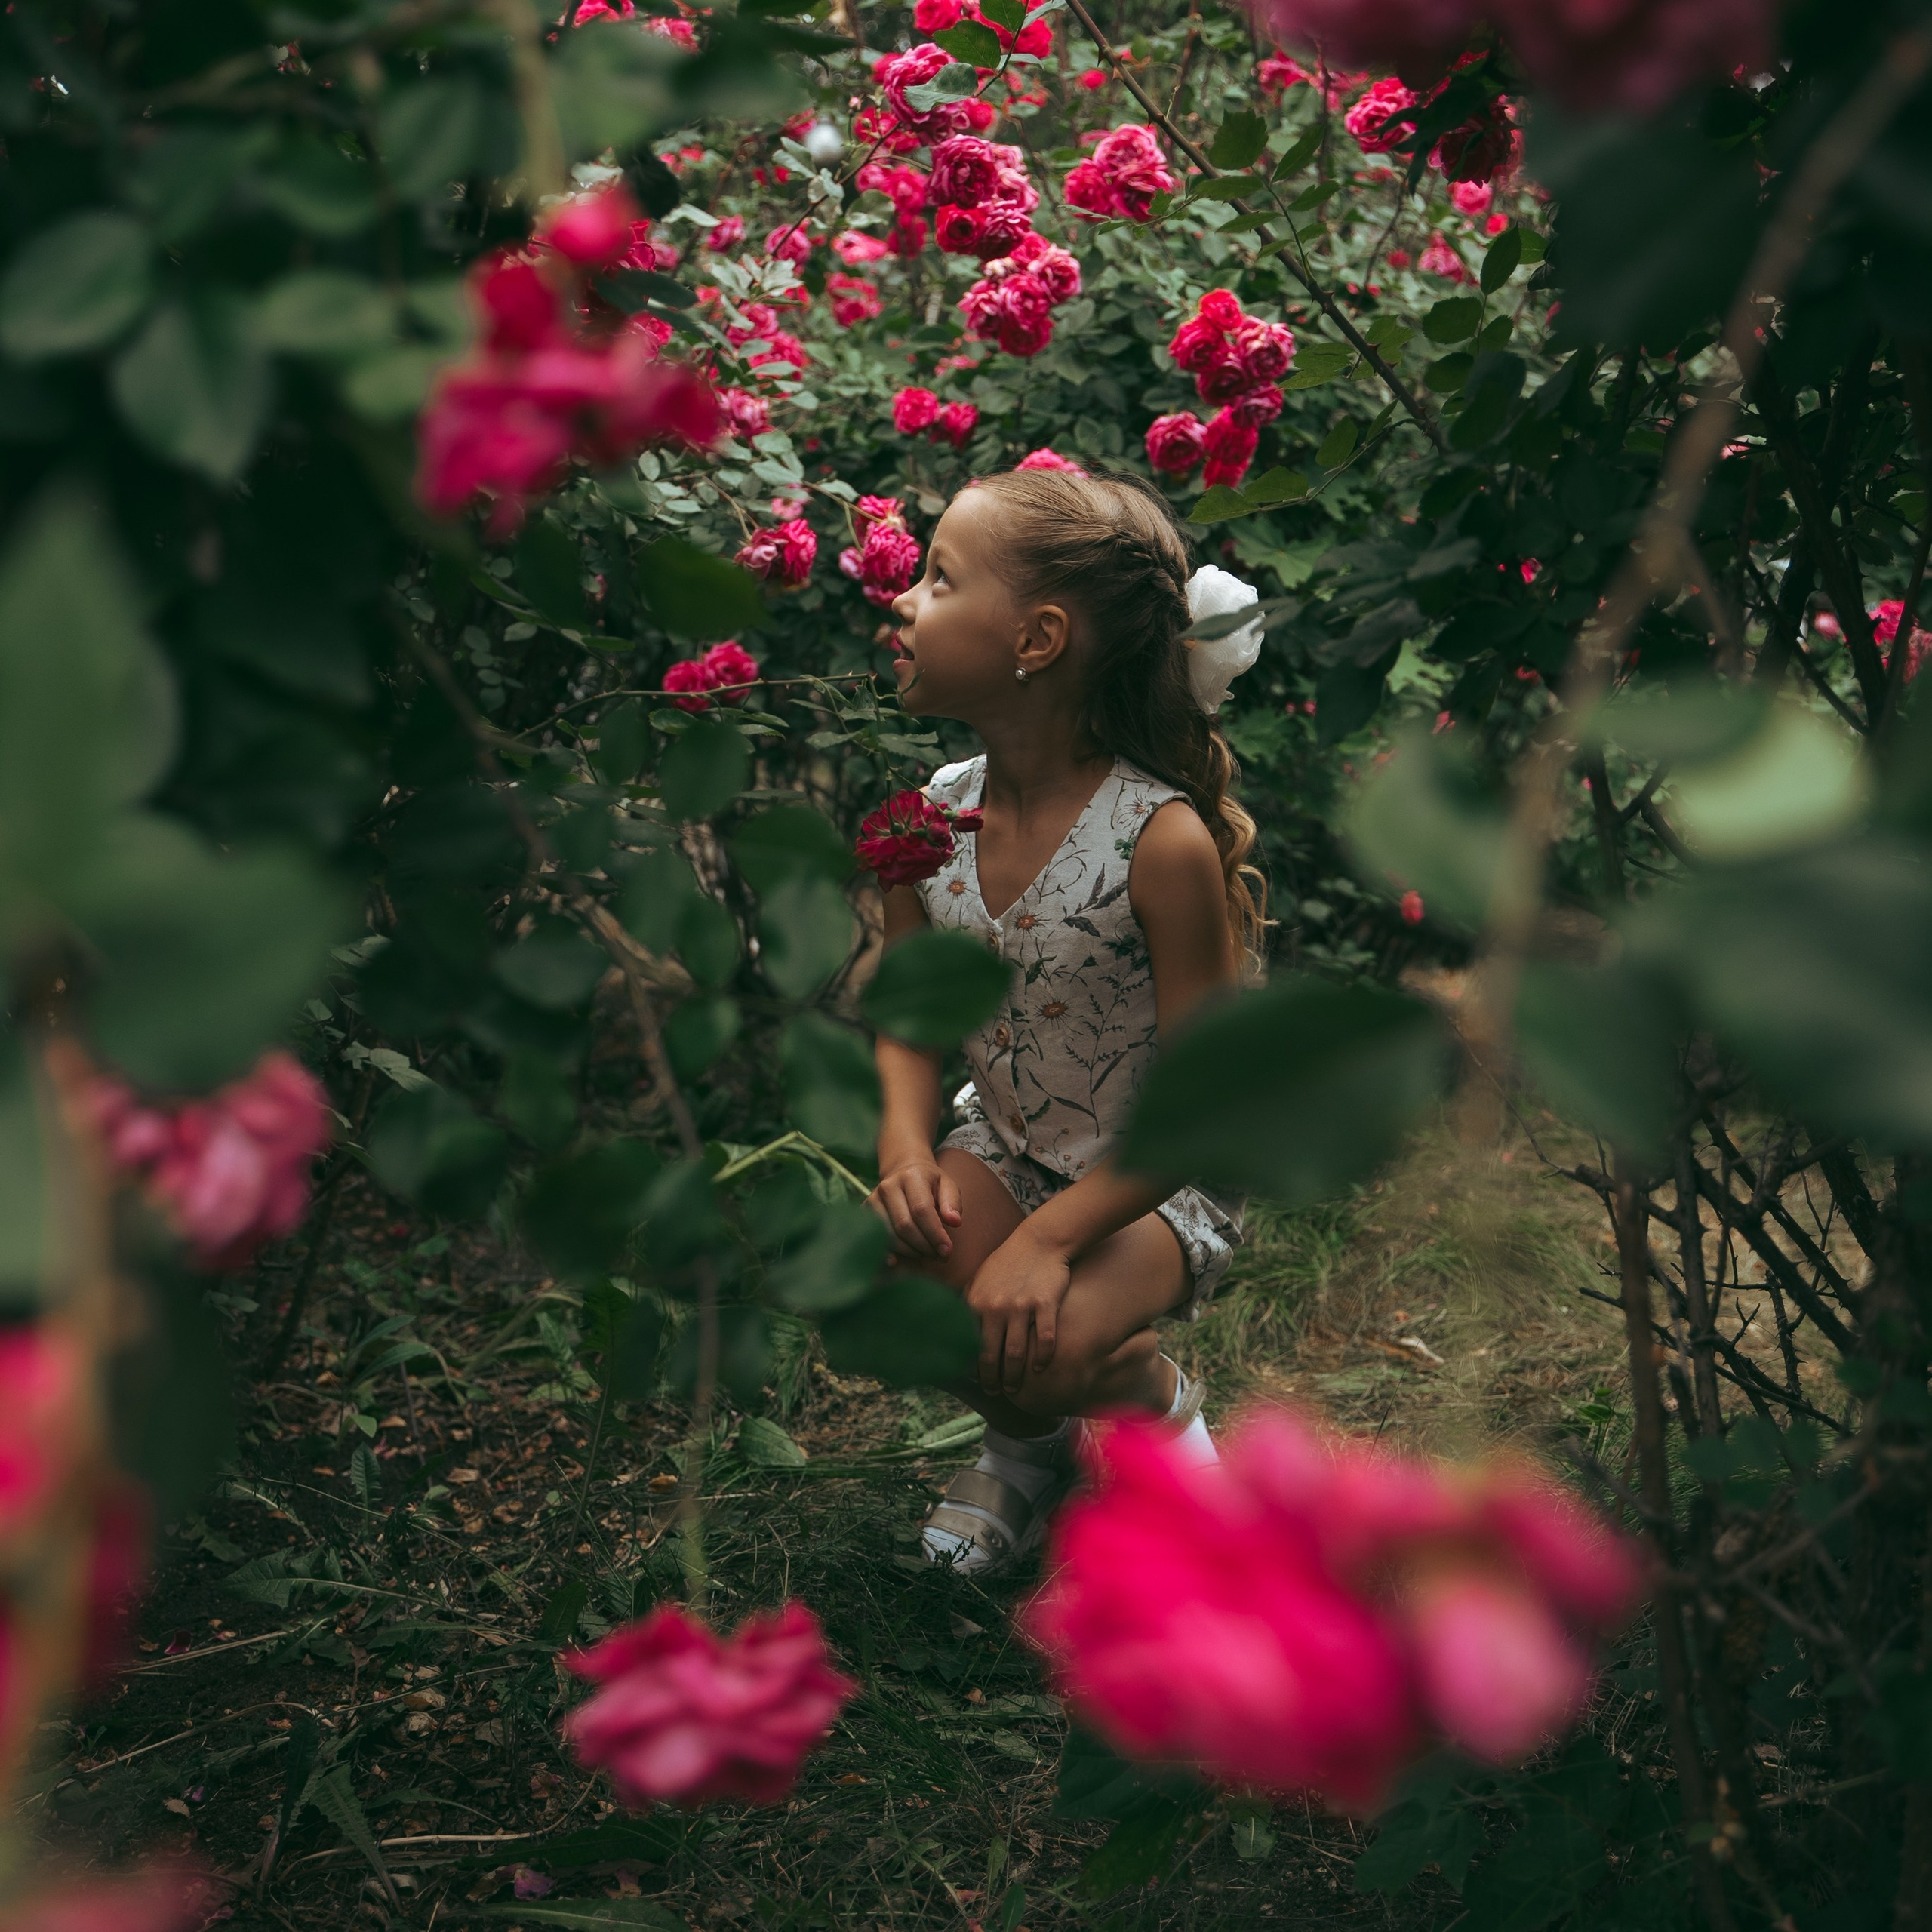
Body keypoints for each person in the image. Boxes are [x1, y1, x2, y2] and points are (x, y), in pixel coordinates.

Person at [866, 465, 1267, 1572]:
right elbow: (907, 1013)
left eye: (939, 579)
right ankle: (1029, 1450)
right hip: (1006, 1140)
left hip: (1157, 1177)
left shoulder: (1159, 841)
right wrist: (905, 1142)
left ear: (1035, 640)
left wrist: (1046, 1241)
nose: (903, 599)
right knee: (898, 1282)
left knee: (1048, 1338)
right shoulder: (923, 823)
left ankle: (1158, 1406)